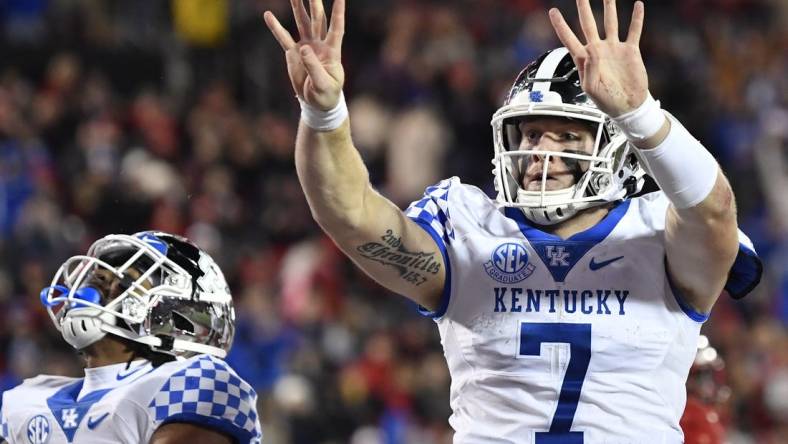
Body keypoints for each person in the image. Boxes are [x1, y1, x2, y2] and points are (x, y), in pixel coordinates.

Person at [265, 0, 762, 441]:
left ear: (618, 148)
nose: (541, 150)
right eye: (531, 133)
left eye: (567, 136)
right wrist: (323, 114)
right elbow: (351, 216)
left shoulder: (659, 231)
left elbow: (713, 210)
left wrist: (641, 114)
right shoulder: (468, 226)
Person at [0, 231, 263, 444]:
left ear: (173, 313)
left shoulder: (196, 382)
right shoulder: (26, 398)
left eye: (125, 278)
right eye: (99, 274)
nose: (96, 280)